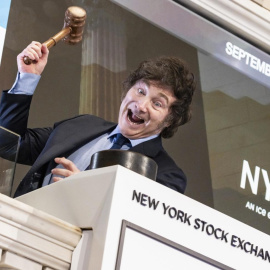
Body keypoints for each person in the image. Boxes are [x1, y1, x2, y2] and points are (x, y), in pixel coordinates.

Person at [0, 41, 196, 197]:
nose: (141, 105)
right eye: (140, 91)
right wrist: (27, 78)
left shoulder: (166, 174)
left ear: (170, 119)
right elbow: (8, 145)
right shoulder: (82, 125)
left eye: (157, 103)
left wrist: (86, 190)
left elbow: (139, 226)